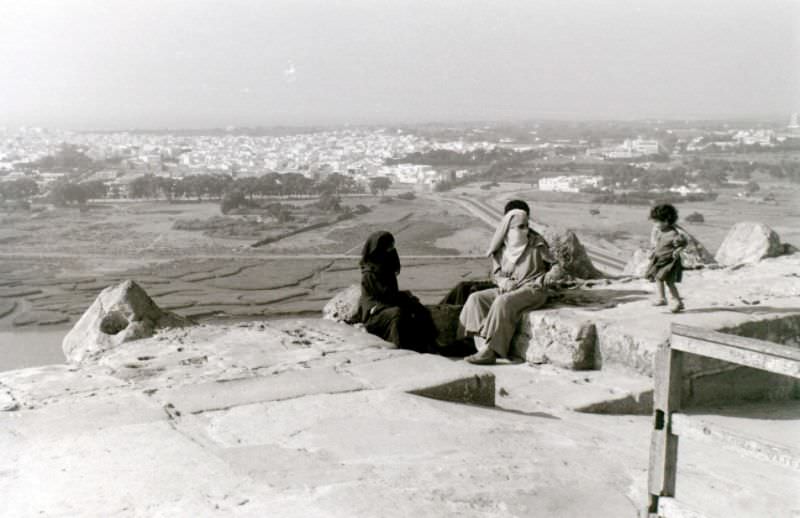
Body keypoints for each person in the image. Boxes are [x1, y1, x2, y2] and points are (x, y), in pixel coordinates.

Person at [460, 208, 555, 365]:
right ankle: (481, 344)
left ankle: (491, 351)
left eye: (525, 226)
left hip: (532, 289)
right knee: (476, 299)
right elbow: (496, 274)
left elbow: (556, 266)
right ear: (508, 229)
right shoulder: (502, 248)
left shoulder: (536, 244)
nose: (524, 230)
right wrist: (503, 282)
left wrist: (544, 280)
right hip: (508, 288)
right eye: (519, 227)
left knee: (503, 302)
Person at [439, 199, 535, 305]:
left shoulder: (533, 240)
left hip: (516, 286)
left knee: (472, 292)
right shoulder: (505, 238)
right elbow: (497, 270)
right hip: (502, 282)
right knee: (462, 287)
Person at [355, 230, 436, 352]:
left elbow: (391, 295)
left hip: (386, 305)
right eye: (387, 247)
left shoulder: (386, 268)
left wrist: (406, 298)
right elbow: (383, 297)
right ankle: (398, 347)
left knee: (417, 308)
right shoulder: (370, 274)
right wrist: (403, 297)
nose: (391, 250)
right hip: (374, 314)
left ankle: (425, 345)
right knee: (397, 313)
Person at [645, 203, 687, 313]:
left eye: (657, 221)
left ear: (666, 221)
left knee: (669, 282)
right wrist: (653, 252)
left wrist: (678, 250)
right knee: (658, 278)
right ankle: (662, 298)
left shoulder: (673, 234)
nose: (655, 224)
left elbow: (683, 243)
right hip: (660, 260)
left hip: (669, 262)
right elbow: (658, 244)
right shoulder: (660, 231)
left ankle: (678, 302)